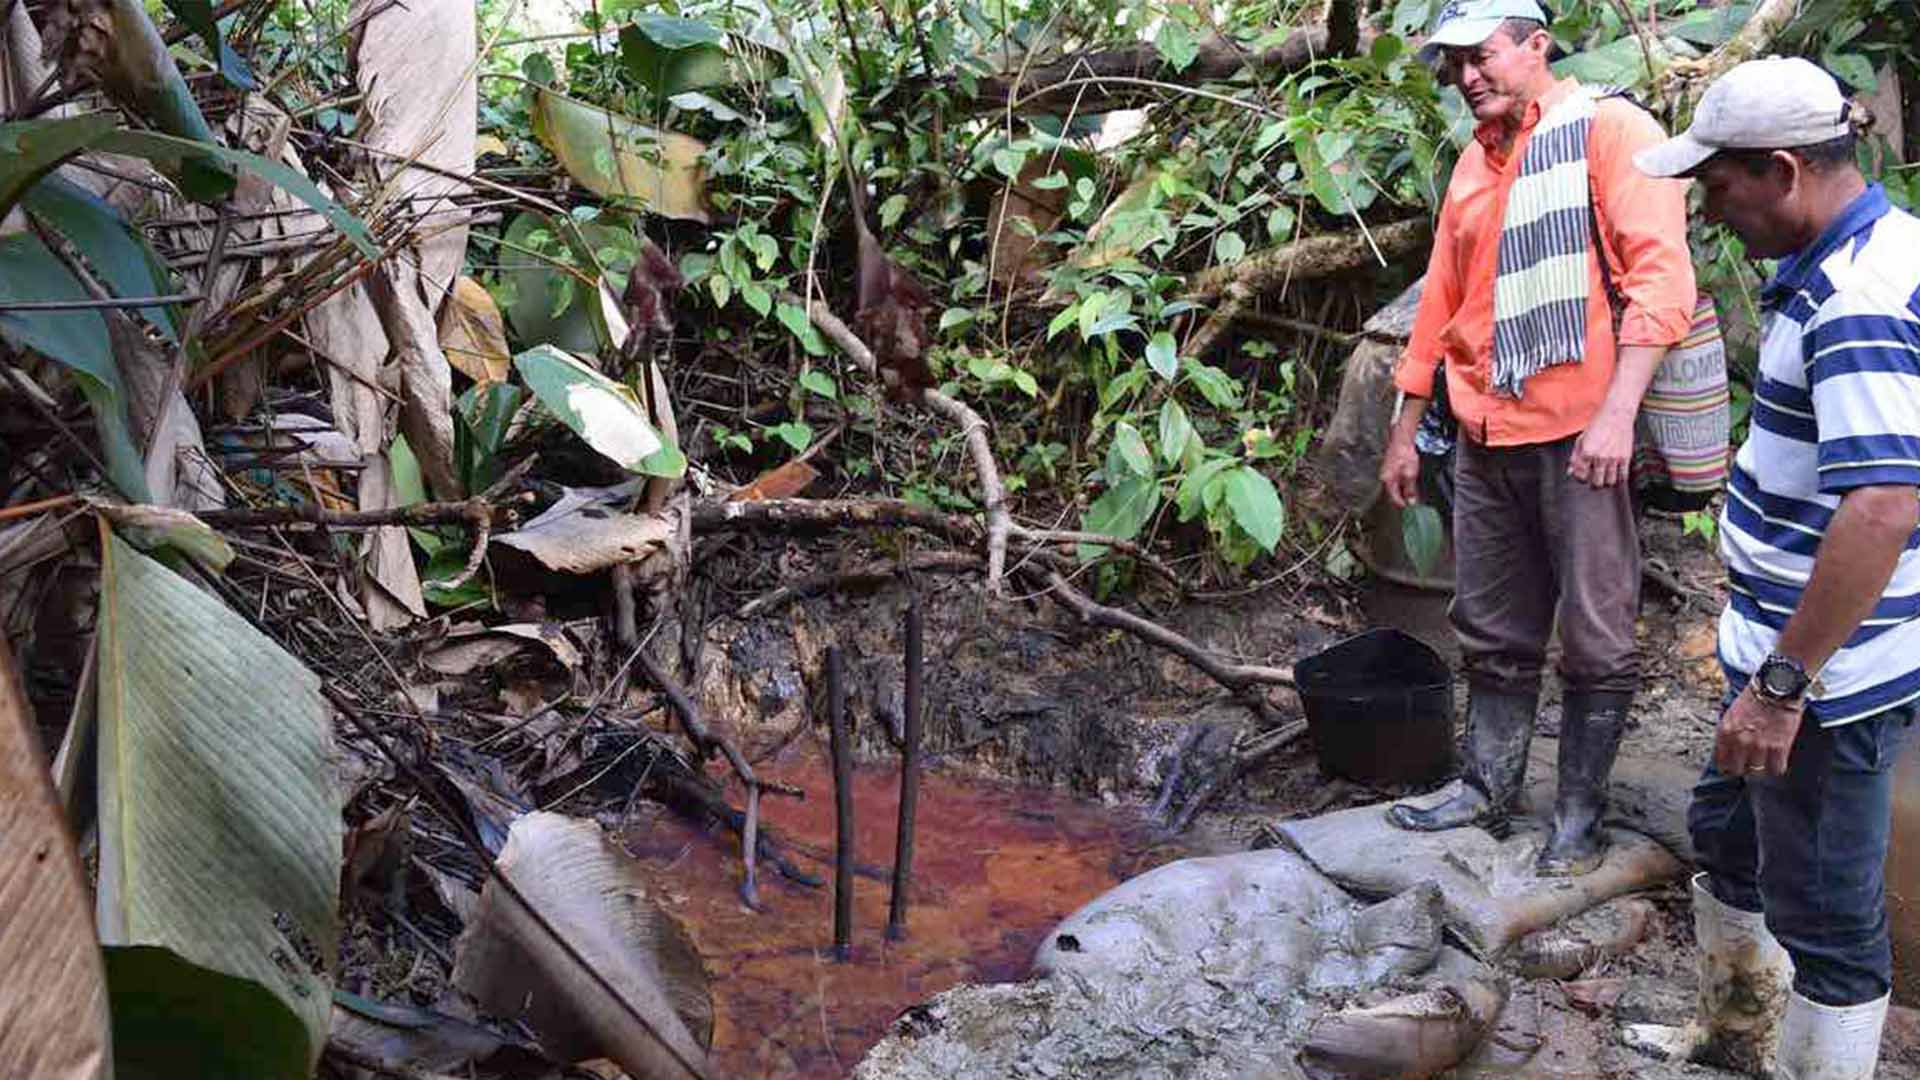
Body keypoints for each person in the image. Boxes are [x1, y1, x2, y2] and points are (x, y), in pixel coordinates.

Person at [1620, 57, 1918, 1078]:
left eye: (1719, 184)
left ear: (1784, 170)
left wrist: (1783, 688)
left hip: (1825, 676)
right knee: (1728, 832)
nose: (1710, 211)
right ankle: (1735, 1037)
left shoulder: (1856, 299)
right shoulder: (1881, 247)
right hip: (1786, 647)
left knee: (1825, 911)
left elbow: (1882, 505)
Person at [1380, 0, 1698, 877]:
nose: (1466, 76)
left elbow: (1662, 282)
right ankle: (1486, 787)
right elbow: (1440, 303)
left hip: (1581, 430)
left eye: (1481, 56)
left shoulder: (1610, 131)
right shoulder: (1472, 163)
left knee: (1597, 632)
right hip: (1484, 428)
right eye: (1454, 64)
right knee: (1490, 622)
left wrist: (1618, 414)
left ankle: (1579, 819)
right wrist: (1405, 429)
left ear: (1536, 45)